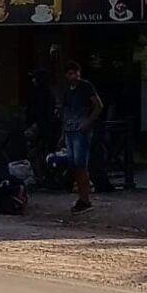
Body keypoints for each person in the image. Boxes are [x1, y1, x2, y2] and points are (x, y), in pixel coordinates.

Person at [63, 60, 103, 214]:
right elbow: (65, 112)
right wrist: (63, 131)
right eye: (71, 73)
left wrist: (87, 122)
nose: (74, 76)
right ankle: (82, 197)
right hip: (70, 130)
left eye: (76, 72)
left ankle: (85, 198)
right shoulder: (68, 91)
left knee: (81, 165)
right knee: (74, 165)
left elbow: (98, 105)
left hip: (80, 131)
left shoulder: (85, 87)